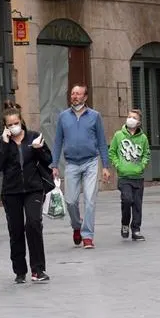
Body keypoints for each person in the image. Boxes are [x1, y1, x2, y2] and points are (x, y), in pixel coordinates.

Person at [0, 103, 52, 283]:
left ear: (21, 121)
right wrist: (3, 144)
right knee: (15, 230)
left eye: (16, 123)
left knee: (34, 225)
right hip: (11, 192)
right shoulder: (0, 142)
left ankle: (38, 269)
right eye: (9, 124)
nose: (14, 127)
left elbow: (48, 159)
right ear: (5, 126)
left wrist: (38, 149)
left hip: (33, 189)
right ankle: (19, 270)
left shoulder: (34, 137)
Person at [51, 84, 111, 250]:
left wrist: (105, 166)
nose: (75, 96)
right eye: (72, 93)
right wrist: (54, 164)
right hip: (71, 164)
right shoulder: (63, 117)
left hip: (91, 161)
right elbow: (57, 142)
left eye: (78, 94)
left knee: (90, 200)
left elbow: (101, 142)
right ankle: (77, 226)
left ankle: (88, 236)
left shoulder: (95, 116)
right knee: (70, 201)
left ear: (85, 97)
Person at [108, 109, 150, 241]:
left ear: (139, 122)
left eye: (134, 117)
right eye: (129, 116)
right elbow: (112, 152)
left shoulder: (143, 138)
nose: (131, 119)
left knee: (137, 204)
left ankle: (136, 229)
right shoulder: (118, 135)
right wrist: (118, 165)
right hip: (124, 176)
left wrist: (142, 165)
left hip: (138, 176)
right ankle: (125, 223)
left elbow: (146, 154)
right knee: (127, 200)